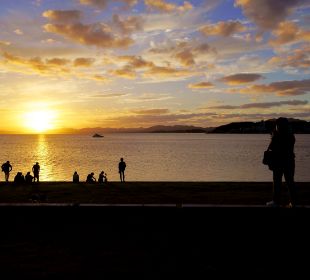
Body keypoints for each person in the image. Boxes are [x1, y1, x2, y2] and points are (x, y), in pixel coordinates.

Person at [265, 117, 297, 208]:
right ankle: (293, 202)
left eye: (277, 125)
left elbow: (273, 148)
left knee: (277, 182)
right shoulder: (291, 135)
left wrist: (273, 137)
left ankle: (276, 201)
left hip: (279, 161)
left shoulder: (278, 136)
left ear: (278, 125)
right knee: (290, 182)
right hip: (289, 161)